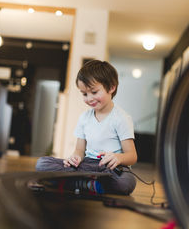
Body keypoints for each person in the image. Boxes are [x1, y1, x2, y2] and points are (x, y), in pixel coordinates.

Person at [36, 60, 137, 195]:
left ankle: (79, 183)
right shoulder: (84, 118)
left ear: (111, 87)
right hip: (88, 166)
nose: (89, 98)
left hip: (111, 169)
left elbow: (132, 156)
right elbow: (79, 150)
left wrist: (118, 158)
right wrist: (75, 158)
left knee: (126, 182)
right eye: (84, 94)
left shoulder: (122, 118)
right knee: (42, 164)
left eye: (94, 92)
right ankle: (90, 184)